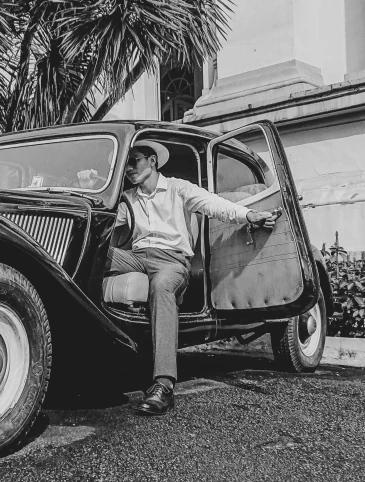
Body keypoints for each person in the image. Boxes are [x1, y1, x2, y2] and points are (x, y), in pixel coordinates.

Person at [105, 140, 276, 416]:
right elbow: (105, 225)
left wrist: (249, 215)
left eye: (133, 161)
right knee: (96, 257)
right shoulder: (128, 198)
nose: (128, 169)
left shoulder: (178, 188)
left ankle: (163, 385)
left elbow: (214, 204)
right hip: (137, 257)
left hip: (172, 262)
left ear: (152, 161)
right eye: (125, 164)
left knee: (161, 286)